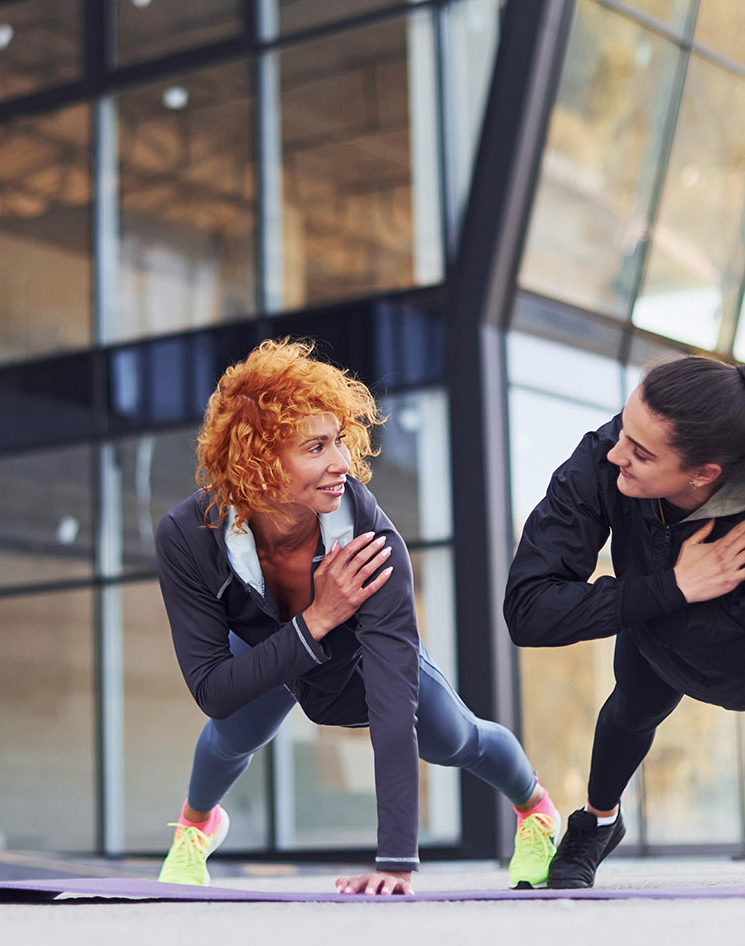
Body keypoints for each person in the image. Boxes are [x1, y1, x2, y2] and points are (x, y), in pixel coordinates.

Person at [154, 339, 560, 896]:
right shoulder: (186, 536)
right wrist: (317, 618)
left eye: (340, 440)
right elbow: (214, 690)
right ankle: (197, 829)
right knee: (230, 735)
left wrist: (395, 861)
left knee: (455, 738)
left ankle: (536, 811)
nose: (343, 463)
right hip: (276, 650)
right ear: (257, 459)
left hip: (358, 661)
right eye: (316, 446)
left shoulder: (371, 541)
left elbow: (393, 705)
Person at [504, 355, 745, 896]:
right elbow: (528, 609)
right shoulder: (607, 456)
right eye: (623, 427)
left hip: (741, 663)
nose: (617, 453)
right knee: (627, 713)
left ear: (704, 474)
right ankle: (598, 821)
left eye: (640, 452)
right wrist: (672, 587)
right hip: (653, 624)